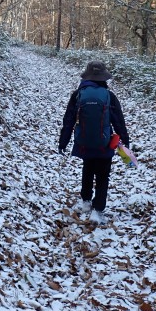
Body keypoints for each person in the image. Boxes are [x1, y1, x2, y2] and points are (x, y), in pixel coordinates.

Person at [58, 60, 130, 225]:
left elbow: (68, 120)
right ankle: (98, 210)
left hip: (84, 142)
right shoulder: (109, 96)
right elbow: (118, 121)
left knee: (88, 168)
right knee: (103, 175)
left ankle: (85, 201)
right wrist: (125, 140)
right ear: (103, 78)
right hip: (105, 143)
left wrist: (63, 142)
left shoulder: (78, 94)